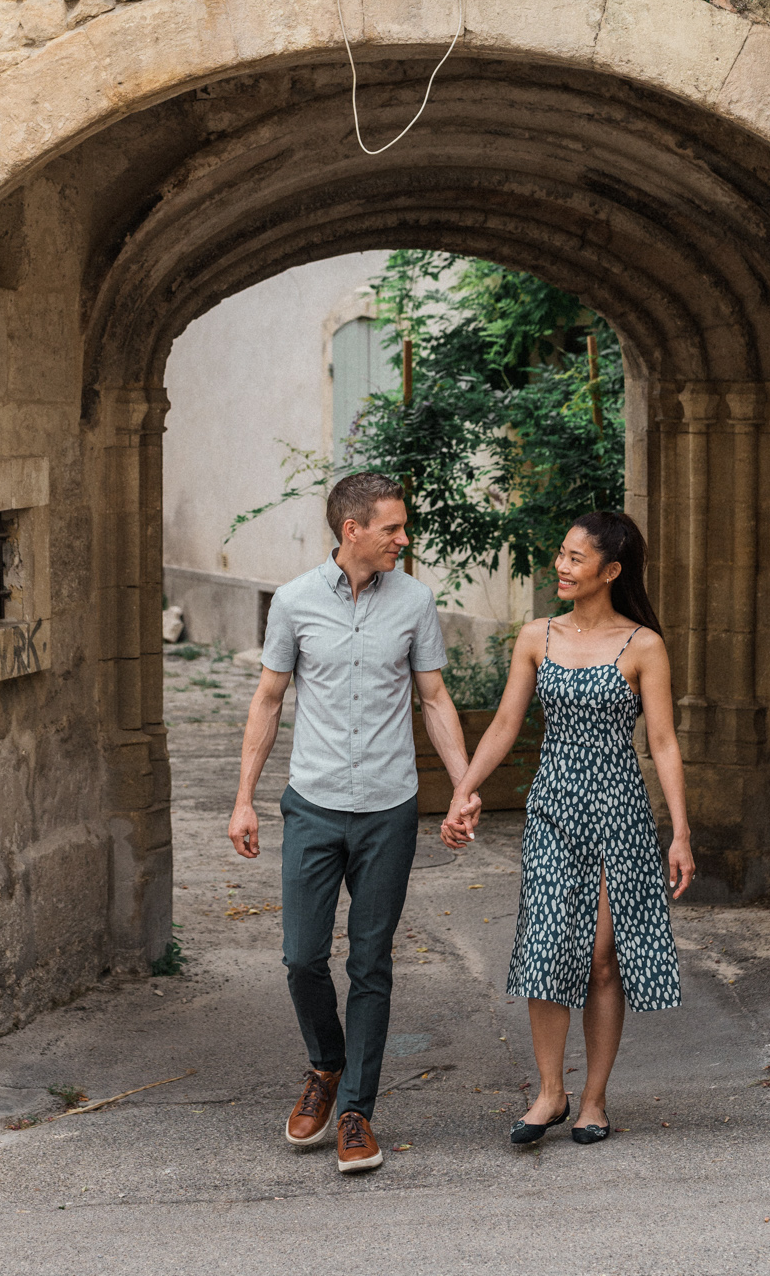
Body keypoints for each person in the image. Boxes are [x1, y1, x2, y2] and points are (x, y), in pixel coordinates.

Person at [229, 472, 471, 1175]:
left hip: (388, 808)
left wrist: (461, 787)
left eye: (403, 526)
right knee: (302, 957)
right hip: (313, 804)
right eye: (393, 528)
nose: (404, 538)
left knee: (370, 963)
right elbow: (268, 700)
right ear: (352, 531)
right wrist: (243, 798)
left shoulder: (415, 601)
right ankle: (325, 1065)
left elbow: (433, 698)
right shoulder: (297, 602)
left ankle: (358, 1110)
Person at [441, 509, 694, 1146]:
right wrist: (463, 791)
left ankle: (593, 1100)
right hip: (553, 809)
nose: (562, 565)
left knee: (603, 961)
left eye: (576, 558)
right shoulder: (537, 636)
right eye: (561, 553)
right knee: (548, 948)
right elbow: (504, 725)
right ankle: (549, 1093)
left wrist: (681, 832)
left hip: (620, 814)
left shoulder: (643, 646)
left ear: (610, 571)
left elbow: (661, 741)